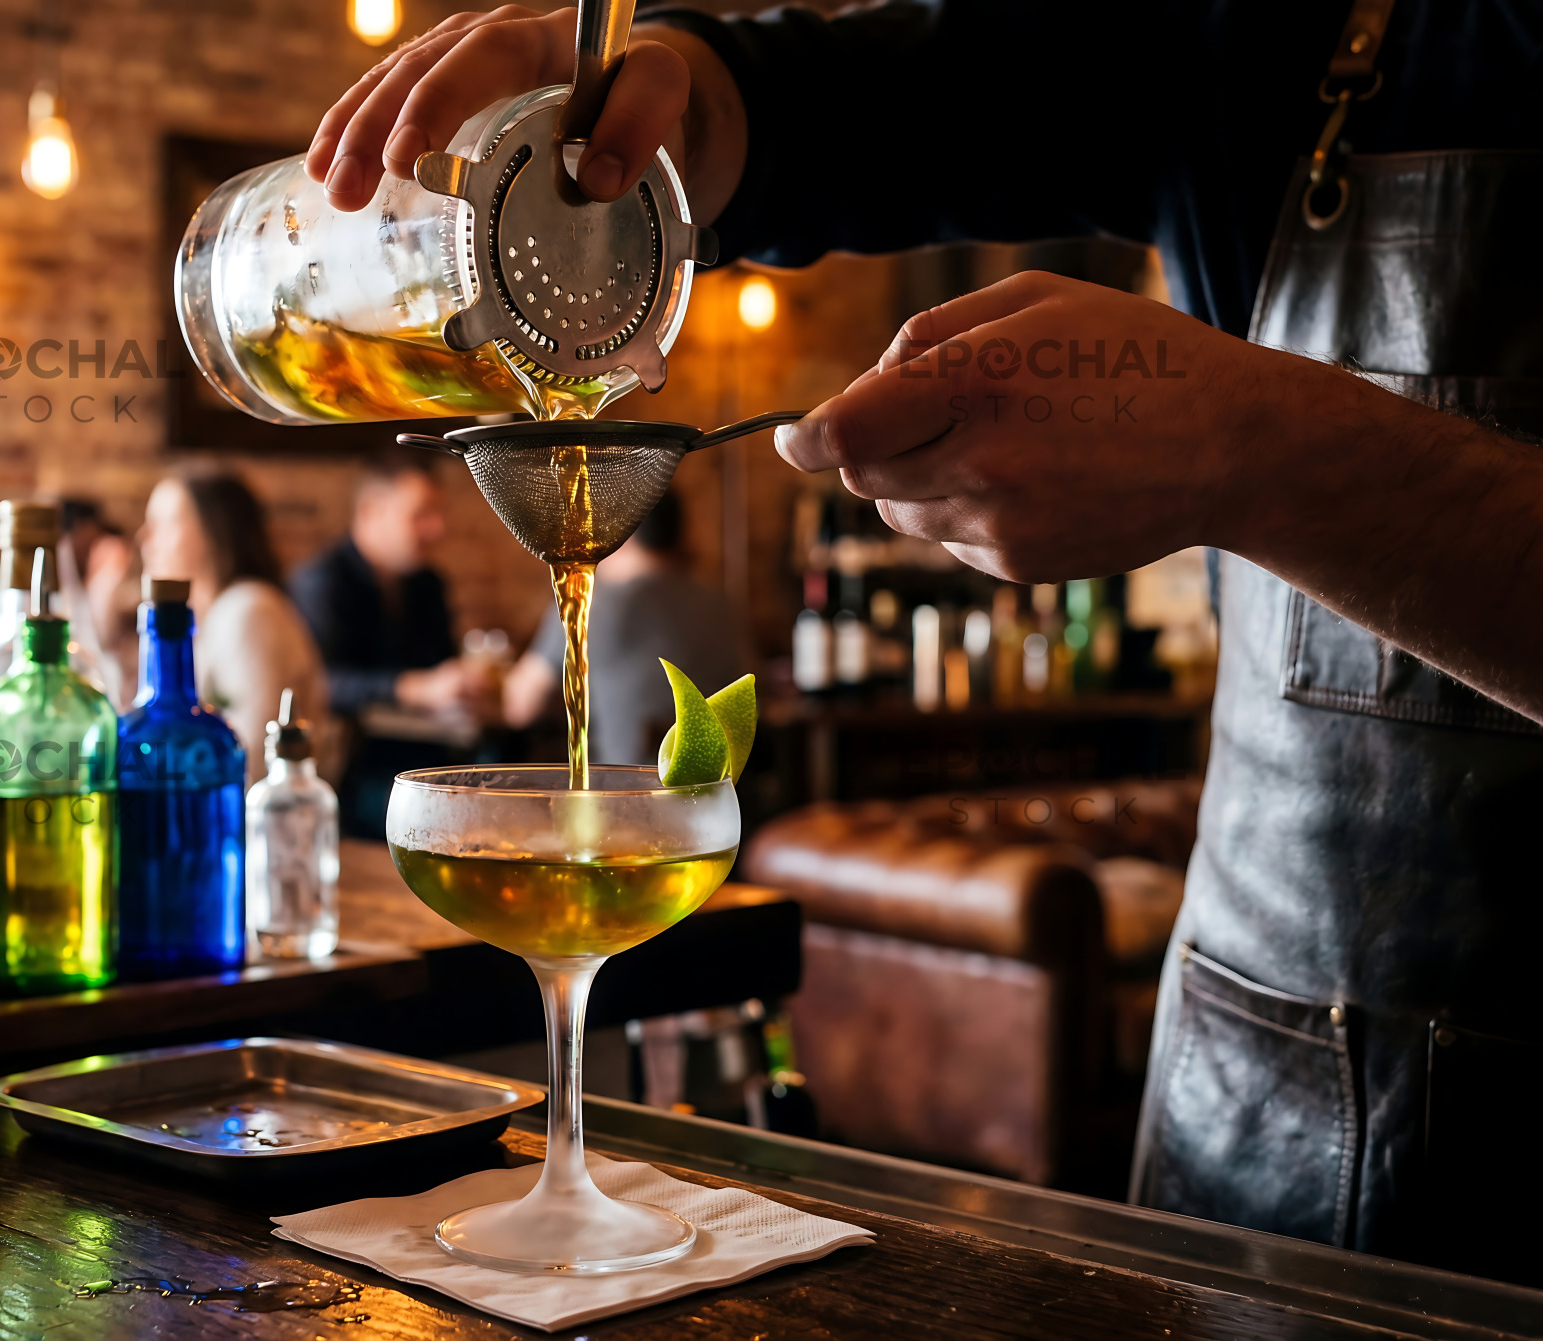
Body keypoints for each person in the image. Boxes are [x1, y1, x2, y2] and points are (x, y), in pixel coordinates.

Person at [305, 3, 1543, 1284]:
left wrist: (1268, 451)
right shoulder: (1290, 25)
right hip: (1254, 1104)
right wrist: (667, 108)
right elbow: (874, 101)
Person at [290, 450, 489, 834]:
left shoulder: (427, 583)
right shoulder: (322, 581)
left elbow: (442, 666)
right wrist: (414, 688)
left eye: (438, 514)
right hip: (352, 768)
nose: (437, 529)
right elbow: (320, 682)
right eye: (420, 514)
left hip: (431, 757)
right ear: (370, 511)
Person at [505, 491, 742, 766]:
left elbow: (520, 707)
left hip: (624, 795)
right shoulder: (719, 606)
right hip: (715, 787)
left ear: (622, 536)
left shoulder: (588, 605)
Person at [139, 472, 330, 785]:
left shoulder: (247, 610)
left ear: (212, 530)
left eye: (164, 523)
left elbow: (251, 756)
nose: (145, 538)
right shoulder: (215, 614)